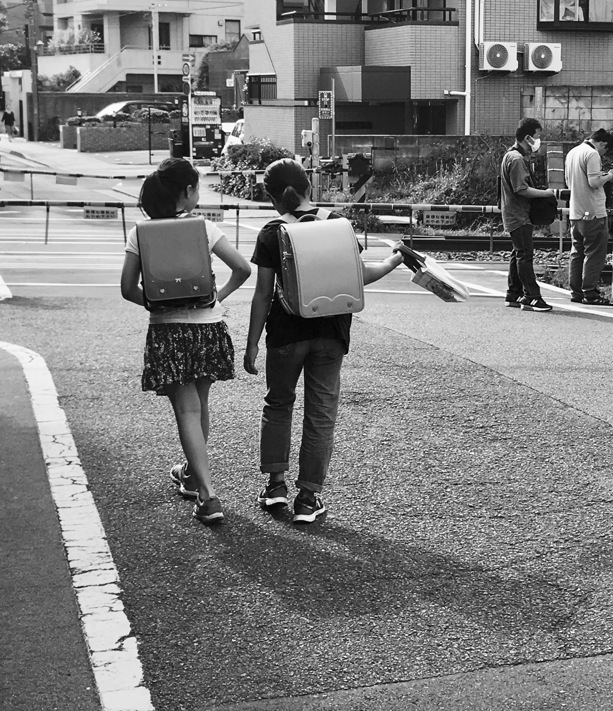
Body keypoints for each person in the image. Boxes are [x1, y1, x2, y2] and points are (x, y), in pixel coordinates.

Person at [244, 157, 403, 524]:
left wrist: (252, 343)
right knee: (320, 414)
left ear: (273, 199)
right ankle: (308, 498)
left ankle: (275, 487)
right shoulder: (337, 225)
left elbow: (262, 295)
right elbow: (360, 276)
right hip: (330, 334)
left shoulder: (271, 232)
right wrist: (394, 261)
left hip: (285, 335)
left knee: (278, 404)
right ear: (309, 189)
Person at [120, 158, 251, 524]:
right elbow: (243, 268)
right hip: (207, 328)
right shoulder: (203, 228)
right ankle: (194, 478)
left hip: (168, 330)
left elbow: (127, 288)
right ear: (186, 192)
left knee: (187, 410)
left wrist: (157, 301)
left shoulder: (142, 233)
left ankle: (207, 495)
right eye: (197, 187)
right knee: (201, 405)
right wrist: (217, 297)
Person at [499, 117, 558, 312]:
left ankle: (513, 293)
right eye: (537, 136)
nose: (538, 140)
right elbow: (521, 189)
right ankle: (532, 296)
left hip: (514, 212)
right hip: (519, 214)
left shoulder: (511, 155)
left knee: (518, 253)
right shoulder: (516, 159)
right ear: (527, 137)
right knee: (525, 255)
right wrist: (547, 193)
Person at [564, 128, 613, 306]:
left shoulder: (573, 152)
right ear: (602, 143)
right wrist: (608, 176)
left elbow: (569, 181)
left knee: (577, 253)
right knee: (594, 253)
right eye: (605, 149)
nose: (603, 153)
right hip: (593, 212)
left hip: (576, 211)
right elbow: (593, 182)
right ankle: (590, 293)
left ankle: (576, 291)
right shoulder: (592, 154)